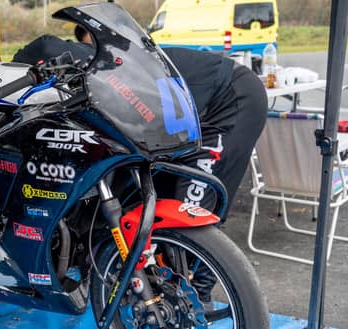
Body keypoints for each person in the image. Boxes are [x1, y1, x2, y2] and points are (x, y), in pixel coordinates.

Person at [13, 27, 267, 221]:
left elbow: (44, 45)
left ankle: (199, 275)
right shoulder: (98, 66)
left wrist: (13, 78)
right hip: (187, 117)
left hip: (228, 99)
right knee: (158, 209)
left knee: (191, 216)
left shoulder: (83, 61)